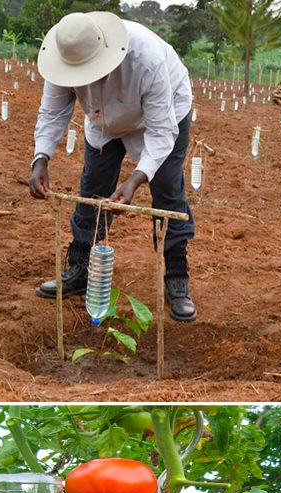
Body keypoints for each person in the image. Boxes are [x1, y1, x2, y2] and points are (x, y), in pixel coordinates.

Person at [28, 12, 198, 322]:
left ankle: (176, 276)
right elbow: (52, 112)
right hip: (103, 123)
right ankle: (80, 268)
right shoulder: (64, 55)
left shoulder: (145, 60)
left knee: (167, 190)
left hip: (161, 115)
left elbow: (161, 132)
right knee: (93, 186)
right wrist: (41, 158)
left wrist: (135, 180)